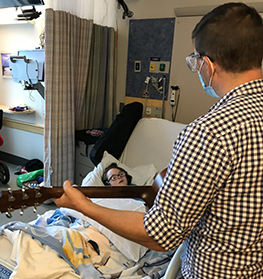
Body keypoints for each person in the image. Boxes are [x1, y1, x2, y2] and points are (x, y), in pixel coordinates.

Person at [55, 3, 263, 278]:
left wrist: (85, 207)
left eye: (195, 61)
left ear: (208, 64)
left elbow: (160, 235)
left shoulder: (209, 132)